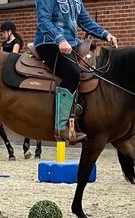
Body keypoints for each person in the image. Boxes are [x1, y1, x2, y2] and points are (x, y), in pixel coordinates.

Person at [34, 0, 118, 144]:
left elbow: (85, 21)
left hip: (72, 44)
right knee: (72, 73)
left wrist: (105, 34)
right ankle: (60, 126)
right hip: (49, 43)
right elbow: (43, 21)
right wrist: (60, 39)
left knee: (94, 67)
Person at [0, 21, 42, 159]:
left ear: (10, 31)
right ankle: (10, 147)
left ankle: (34, 144)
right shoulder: (3, 44)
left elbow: (11, 57)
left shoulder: (16, 43)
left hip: (13, 67)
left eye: (4, 32)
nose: (3, 34)